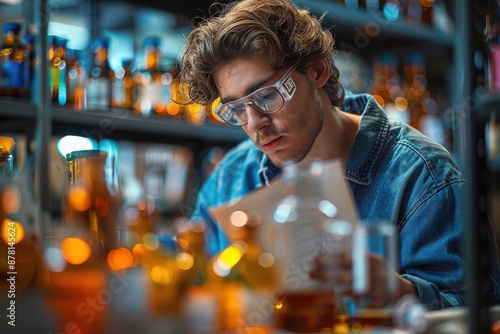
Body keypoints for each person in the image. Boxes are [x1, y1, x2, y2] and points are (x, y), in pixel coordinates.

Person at [179, 0, 500, 311]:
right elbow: (192, 293)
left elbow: (475, 312)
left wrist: (403, 293)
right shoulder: (229, 180)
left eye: (267, 95)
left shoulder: (423, 178)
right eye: (235, 108)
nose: (254, 124)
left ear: (317, 71)